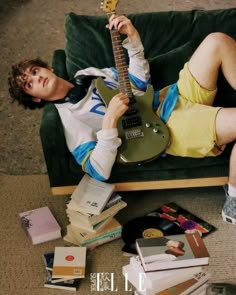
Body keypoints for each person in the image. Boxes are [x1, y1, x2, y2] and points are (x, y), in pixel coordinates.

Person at [7, 15, 236, 225]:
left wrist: (133, 40)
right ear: (35, 98)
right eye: (30, 83)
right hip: (168, 128)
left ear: (47, 67)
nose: (38, 78)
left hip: (171, 96)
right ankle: (233, 200)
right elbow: (97, 171)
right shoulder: (70, 120)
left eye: (36, 71)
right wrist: (109, 122)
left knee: (217, 41)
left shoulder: (87, 74)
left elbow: (137, 82)